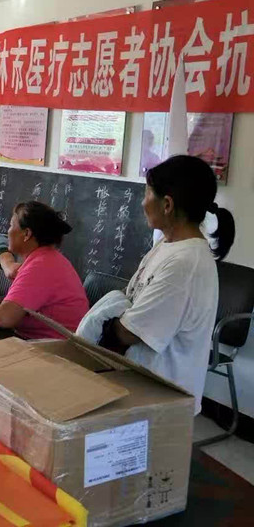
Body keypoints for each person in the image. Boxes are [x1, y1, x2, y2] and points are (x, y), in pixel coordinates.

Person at [78, 155, 235, 415]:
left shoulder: (185, 264)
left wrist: (103, 320)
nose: (143, 203)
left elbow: (129, 332)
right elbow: (131, 298)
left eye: (146, 193)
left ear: (167, 204)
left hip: (161, 404)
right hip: (140, 392)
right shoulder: (167, 245)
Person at [0, 201, 88, 339]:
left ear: (26, 234)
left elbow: (4, 318)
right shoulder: (47, 258)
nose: (8, 231)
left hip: (55, 348)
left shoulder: (41, 266)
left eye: (11, 225)